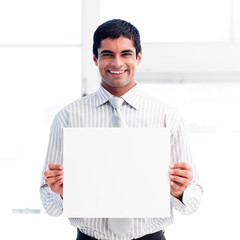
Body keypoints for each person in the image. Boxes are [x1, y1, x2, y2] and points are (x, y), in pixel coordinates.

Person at [40, 19, 203, 240]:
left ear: (139, 57)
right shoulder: (67, 118)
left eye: (126, 54)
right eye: (107, 54)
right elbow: (50, 206)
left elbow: (193, 202)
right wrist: (59, 193)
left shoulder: (167, 117)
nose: (117, 63)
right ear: (96, 58)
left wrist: (180, 191)